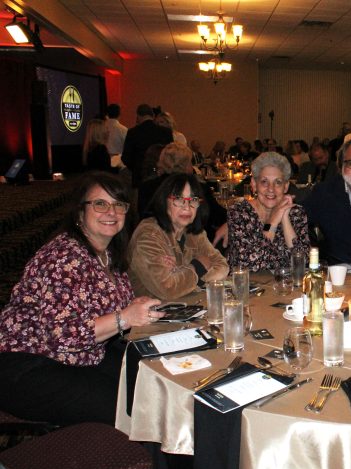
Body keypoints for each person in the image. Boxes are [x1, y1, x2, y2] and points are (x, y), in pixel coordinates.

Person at [0, 173, 162, 425]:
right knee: (131, 410)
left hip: (83, 354)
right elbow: (63, 335)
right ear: (79, 213)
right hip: (28, 363)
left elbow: (110, 311)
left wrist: (134, 308)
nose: (111, 212)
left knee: (149, 381)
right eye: (100, 204)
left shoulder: (108, 254)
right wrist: (125, 317)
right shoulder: (62, 257)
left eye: (118, 204)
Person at [128, 173, 228, 300]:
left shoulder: (193, 233)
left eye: (193, 200)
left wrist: (181, 275)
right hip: (152, 310)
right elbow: (168, 289)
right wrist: (198, 266)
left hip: (186, 304)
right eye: (179, 199)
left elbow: (222, 267)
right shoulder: (148, 235)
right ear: (164, 201)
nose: (187, 207)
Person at [227, 152, 310, 272]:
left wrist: (285, 218)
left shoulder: (297, 212)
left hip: (286, 283)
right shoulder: (238, 212)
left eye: (278, 182)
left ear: (286, 186)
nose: (271, 189)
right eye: (264, 182)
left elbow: (304, 262)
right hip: (248, 283)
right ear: (254, 184)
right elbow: (248, 264)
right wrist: (273, 221)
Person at [122, 104, 174, 187]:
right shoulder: (166, 132)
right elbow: (171, 154)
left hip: (140, 176)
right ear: (152, 115)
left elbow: (126, 158)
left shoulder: (133, 132)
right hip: (162, 176)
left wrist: (136, 167)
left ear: (138, 116)